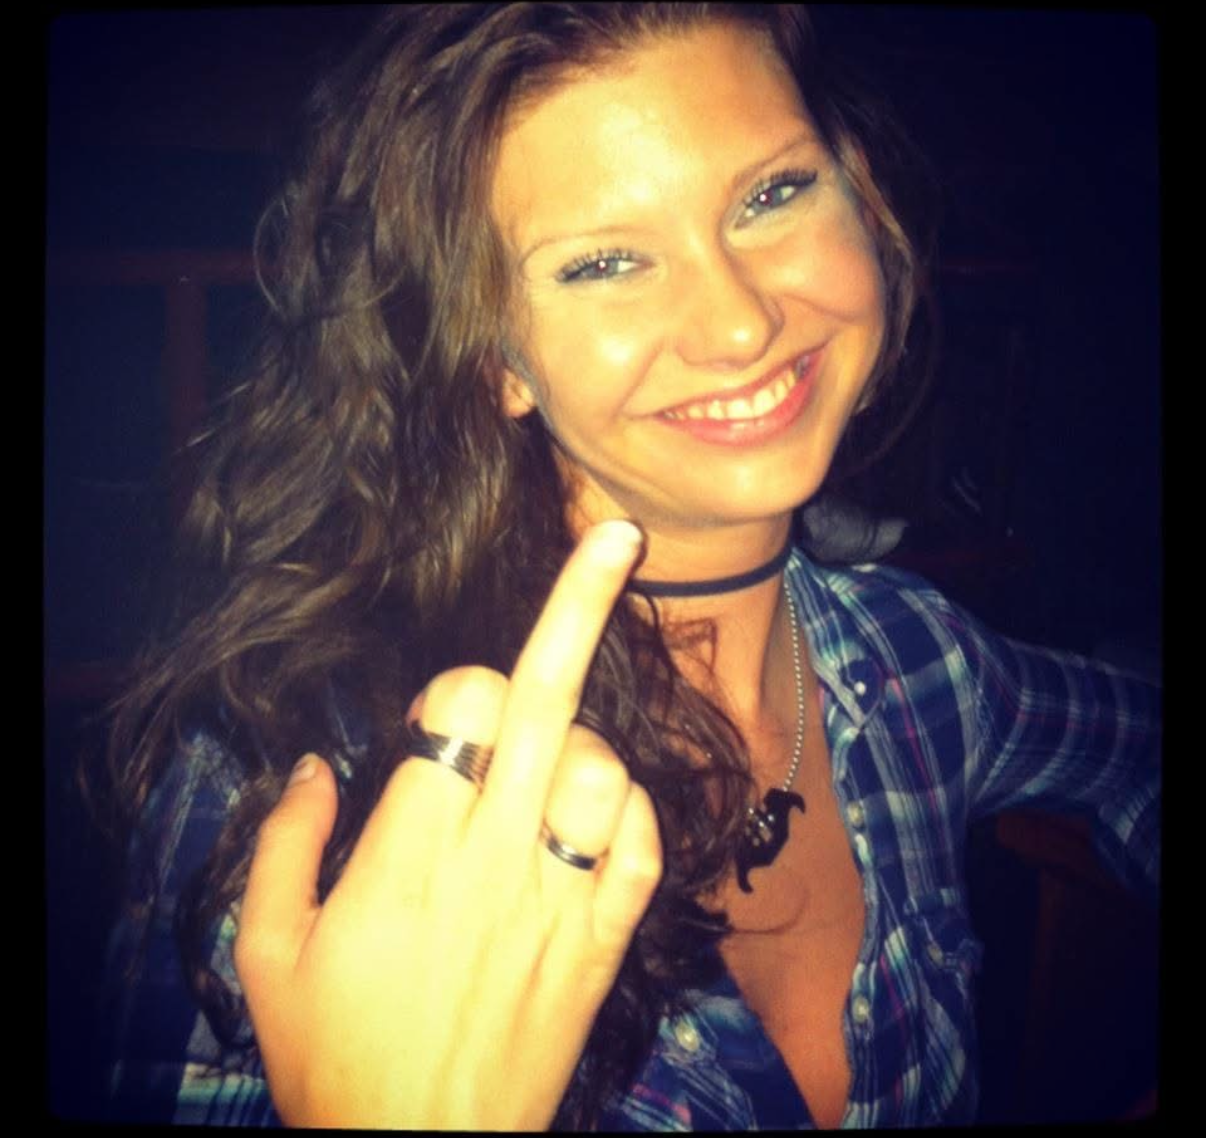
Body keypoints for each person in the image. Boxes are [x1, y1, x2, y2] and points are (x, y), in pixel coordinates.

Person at [94, 3, 1160, 1129]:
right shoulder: (300, 783)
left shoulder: (917, 659)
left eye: (772, 195)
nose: (739, 324)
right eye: (605, 262)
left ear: (860, 193)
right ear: (494, 357)